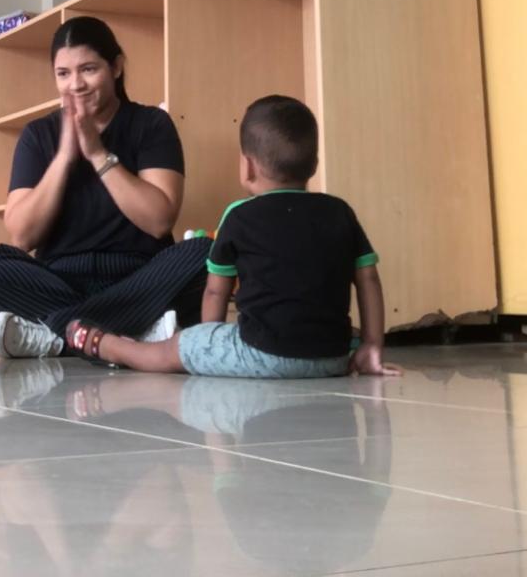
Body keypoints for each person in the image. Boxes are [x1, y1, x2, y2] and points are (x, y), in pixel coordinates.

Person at [65, 94, 401, 379]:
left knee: (174, 349)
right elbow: (368, 280)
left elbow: (215, 290)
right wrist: (371, 346)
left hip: (261, 354)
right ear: (313, 164)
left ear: (248, 166)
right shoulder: (340, 212)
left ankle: (112, 347)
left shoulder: (238, 216)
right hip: (332, 358)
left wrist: (206, 339)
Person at [0, 16, 210, 358]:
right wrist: (64, 157)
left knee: (203, 254)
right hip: (58, 280)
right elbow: (22, 236)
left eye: (88, 69)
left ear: (116, 67)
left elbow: (159, 221)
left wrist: (97, 154)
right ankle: (132, 330)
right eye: (63, 74)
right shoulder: (38, 134)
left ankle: (55, 334)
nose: (75, 85)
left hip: (138, 277)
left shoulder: (151, 123)